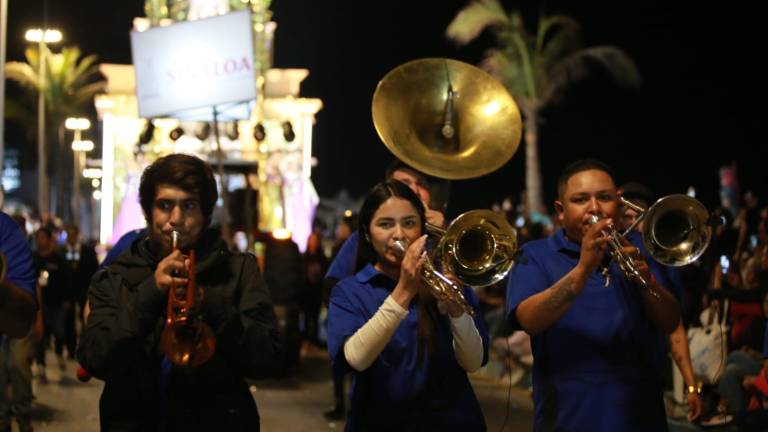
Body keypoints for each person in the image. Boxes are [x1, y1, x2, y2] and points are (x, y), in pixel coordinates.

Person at [77, 153, 281, 431]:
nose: (176, 219)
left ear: (206, 214)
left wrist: (209, 303)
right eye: (164, 205)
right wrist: (151, 293)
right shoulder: (116, 276)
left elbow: (268, 358)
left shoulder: (239, 269)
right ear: (148, 212)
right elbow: (95, 358)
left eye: (189, 206)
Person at [506, 159, 681, 432]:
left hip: (641, 418)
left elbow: (670, 321)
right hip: (567, 420)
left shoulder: (640, 248)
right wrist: (584, 267)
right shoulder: (534, 255)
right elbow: (530, 319)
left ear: (618, 204)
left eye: (605, 197)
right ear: (560, 211)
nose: (595, 208)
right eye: (580, 199)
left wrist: (647, 282)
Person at [327, 180, 488, 431]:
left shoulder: (446, 281)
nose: (399, 234)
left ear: (422, 231)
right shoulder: (350, 291)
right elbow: (356, 359)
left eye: (409, 223)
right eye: (385, 224)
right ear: (368, 234)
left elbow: (473, 362)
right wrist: (404, 289)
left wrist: (456, 309)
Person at [322, 161, 448, 420]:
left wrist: (443, 237)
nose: (414, 189)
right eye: (405, 184)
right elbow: (335, 288)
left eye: (420, 185)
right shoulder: (360, 245)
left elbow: (473, 355)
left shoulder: (443, 236)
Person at [619, 182, 703, 422]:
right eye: (626, 216)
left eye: (638, 216)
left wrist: (691, 386)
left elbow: (674, 325)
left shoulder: (661, 259)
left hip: (647, 375)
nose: (632, 223)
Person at [0, 212, 38, 432]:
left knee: (18, 364)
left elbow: (33, 290)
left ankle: (23, 414)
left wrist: (38, 320)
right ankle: (4, 416)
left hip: (19, 313)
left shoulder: (21, 247)